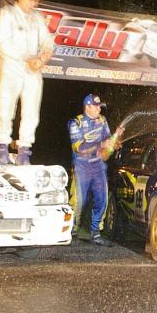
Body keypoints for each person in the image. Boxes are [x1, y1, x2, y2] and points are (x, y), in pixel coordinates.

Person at [0, 0, 54, 165]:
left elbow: (48, 40)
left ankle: (24, 150)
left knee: (31, 111)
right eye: (30, 0)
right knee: (6, 108)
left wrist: (44, 55)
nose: (34, 4)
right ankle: (2, 145)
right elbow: (2, 44)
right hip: (11, 67)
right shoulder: (7, 14)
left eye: (36, 1)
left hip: (32, 70)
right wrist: (27, 58)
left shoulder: (37, 17)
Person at [68, 94, 124, 246]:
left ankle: (96, 232)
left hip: (98, 166)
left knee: (102, 199)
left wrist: (114, 141)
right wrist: (102, 144)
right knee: (79, 201)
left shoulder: (103, 120)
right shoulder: (75, 123)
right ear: (87, 106)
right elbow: (79, 148)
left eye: (100, 106)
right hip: (81, 167)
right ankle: (71, 230)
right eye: (96, 106)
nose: (99, 108)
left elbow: (106, 151)